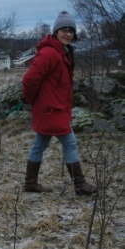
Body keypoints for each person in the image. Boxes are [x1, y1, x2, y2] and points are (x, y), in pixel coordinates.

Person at [22, 11, 97, 195]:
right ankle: (80, 185)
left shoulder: (62, 52)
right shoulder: (50, 53)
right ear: (56, 32)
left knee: (40, 143)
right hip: (51, 109)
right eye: (64, 29)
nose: (68, 34)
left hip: (54, 107)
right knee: (69, 143)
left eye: (71, 30)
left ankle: (30, 182)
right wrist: (30, 99)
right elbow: (29, 79)